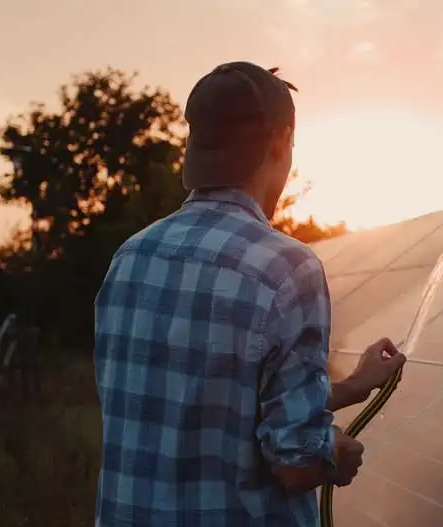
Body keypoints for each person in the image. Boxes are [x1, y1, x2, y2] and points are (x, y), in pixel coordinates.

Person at [93, 61, 406, 526]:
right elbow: (295, 463)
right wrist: (332, 454)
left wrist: (355, 386)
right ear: (281, 143)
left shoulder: (131, 257)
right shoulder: (285, 268)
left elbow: (215, 407)